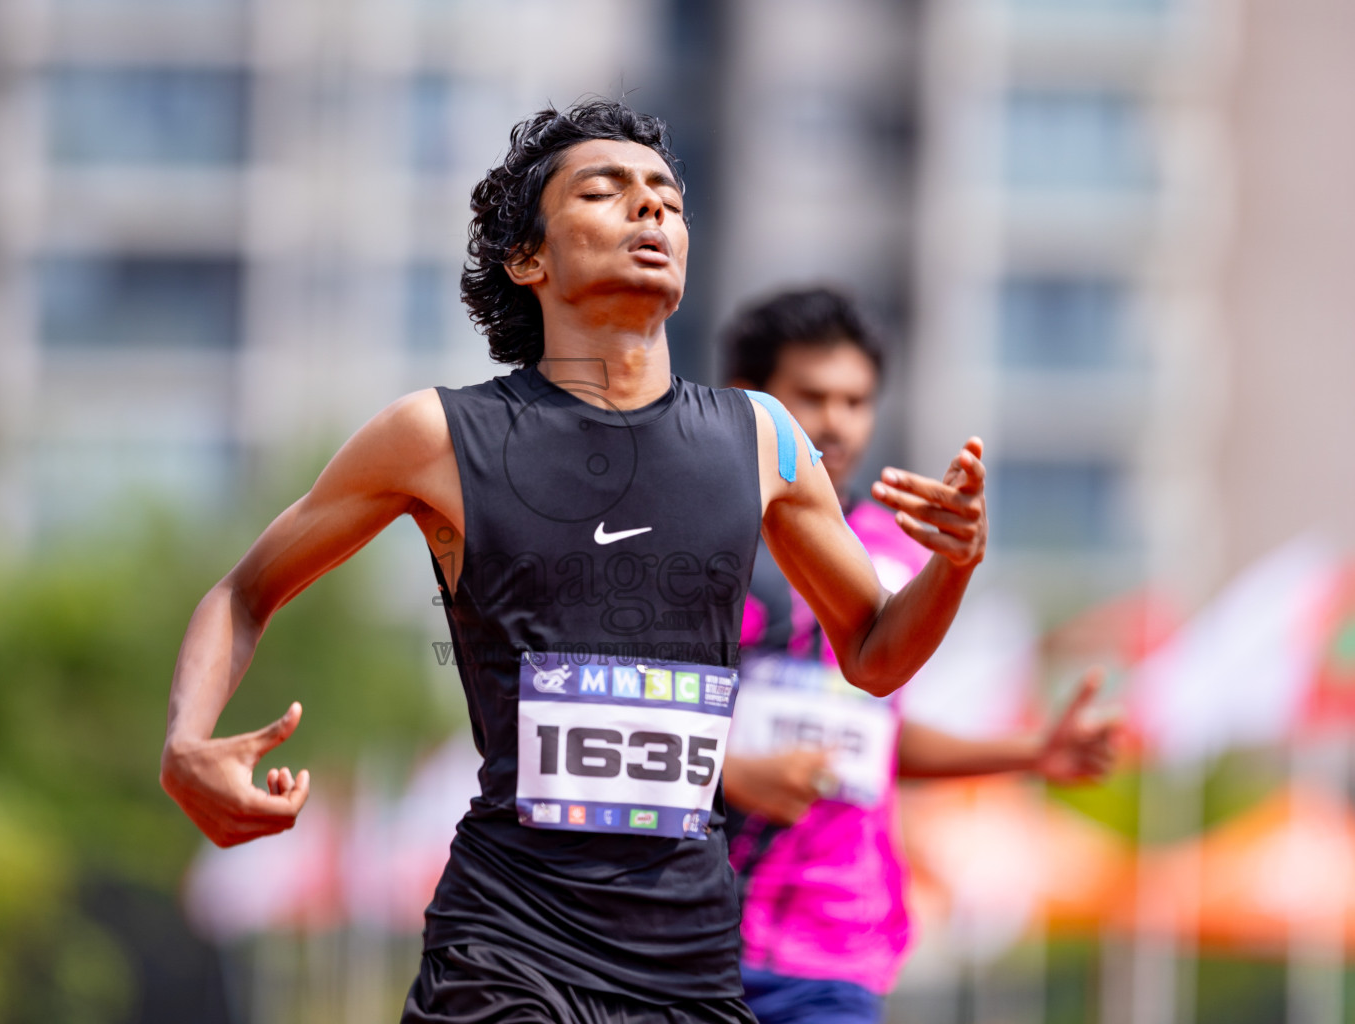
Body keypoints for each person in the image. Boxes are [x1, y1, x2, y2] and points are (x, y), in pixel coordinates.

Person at [159, 101, 990, 1024]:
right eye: (606, 191)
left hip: (689, 960)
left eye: (668, 201)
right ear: (530, 261)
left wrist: (951, 567)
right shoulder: (437, 436)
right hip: (507, 937)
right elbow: (244, 591)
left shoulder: (761, 439)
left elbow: (875, 653)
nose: (651, 212)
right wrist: (186, 743)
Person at [719, 287, 1117, 1024]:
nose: (836, 422)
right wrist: (726, 771)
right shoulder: (698, 540)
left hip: (841, 948)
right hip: (691, 938)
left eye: (856, 400)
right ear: (749, 399)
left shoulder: (893, 549)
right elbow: (617, 712)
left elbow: (877, 729)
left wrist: (1032, 751)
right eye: (811, 396)